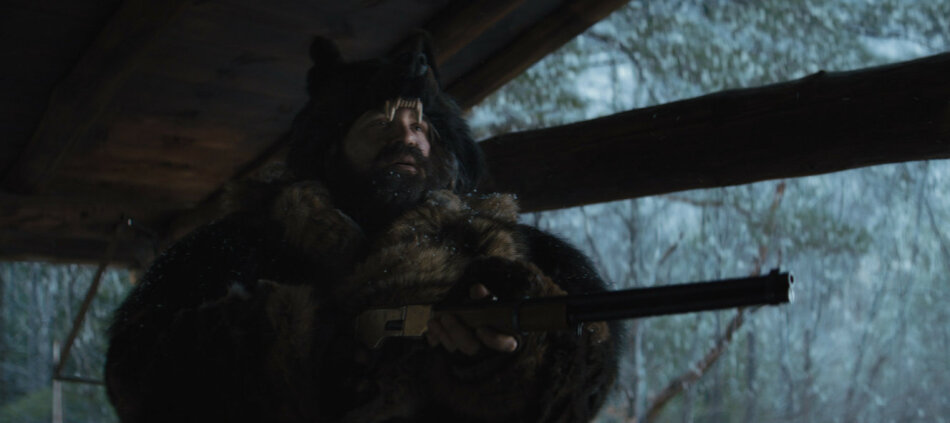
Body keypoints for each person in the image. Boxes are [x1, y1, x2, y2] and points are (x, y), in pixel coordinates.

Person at [105, 34, 619, 423]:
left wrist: (509, 361)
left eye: (421, 127)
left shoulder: (513, 250)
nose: (407, 137)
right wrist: (294, 350)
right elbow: (137, 373)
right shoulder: (234, 246)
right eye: (380, 124)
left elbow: (588, 368)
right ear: (330, 149)